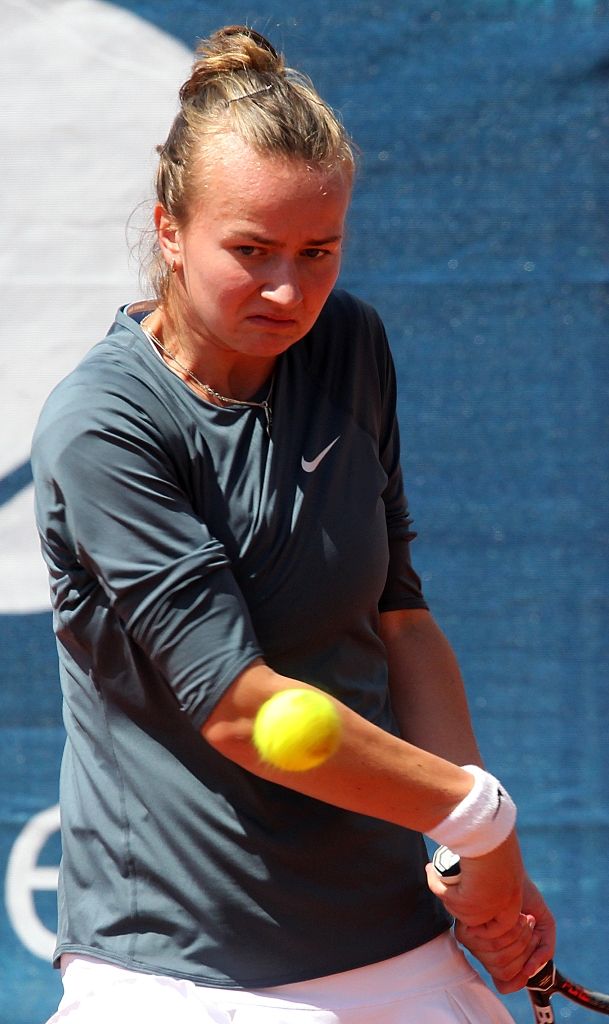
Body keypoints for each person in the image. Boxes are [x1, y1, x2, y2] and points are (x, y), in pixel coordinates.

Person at [32, 25, 554, 1024]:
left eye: (319, 252)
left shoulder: (348, 344)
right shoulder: (105, 426)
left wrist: (475, 854)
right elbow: (239, 709)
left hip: (394, 938)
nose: (289, 290)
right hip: (179, 974)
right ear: (170, 229)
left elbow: (400, 617)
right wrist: (475, 819)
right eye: (251, 252)